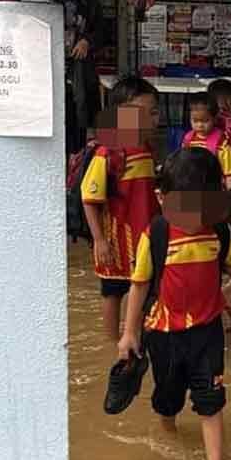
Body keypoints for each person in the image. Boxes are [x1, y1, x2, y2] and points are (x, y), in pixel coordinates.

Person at [117, 148, 231, 460]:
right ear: (162, 198)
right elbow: (139, 285)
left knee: (210, 398)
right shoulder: (155, 236)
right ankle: (167, 433)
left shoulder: (218, 232)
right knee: (168, 397)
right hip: (164, 334)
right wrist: (130, 333)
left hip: (208, 332)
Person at [82, 77, 161, 342]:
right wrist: (99, 240)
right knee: (112, 290)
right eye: (144, 113)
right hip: (117, 239)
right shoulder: (107, 153)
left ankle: (132, 337)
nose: (152, 119)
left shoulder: (147, 149)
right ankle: (110, 344)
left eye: (154, 112)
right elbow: (89, 198)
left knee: (139, 285)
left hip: (144, 235)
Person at [33, 0, 103, 155]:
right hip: (45, 69)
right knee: (49, 120)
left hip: (78, 72)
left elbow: (102, 31)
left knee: (77, 122)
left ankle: (74, 166)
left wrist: (87, 41)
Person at [183, 93, 231, 190]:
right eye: (195, 121)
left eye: (205, 121)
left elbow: (230, 173)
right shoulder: (188, 139)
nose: (200, 125)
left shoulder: (221, 143)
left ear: (214, 118)